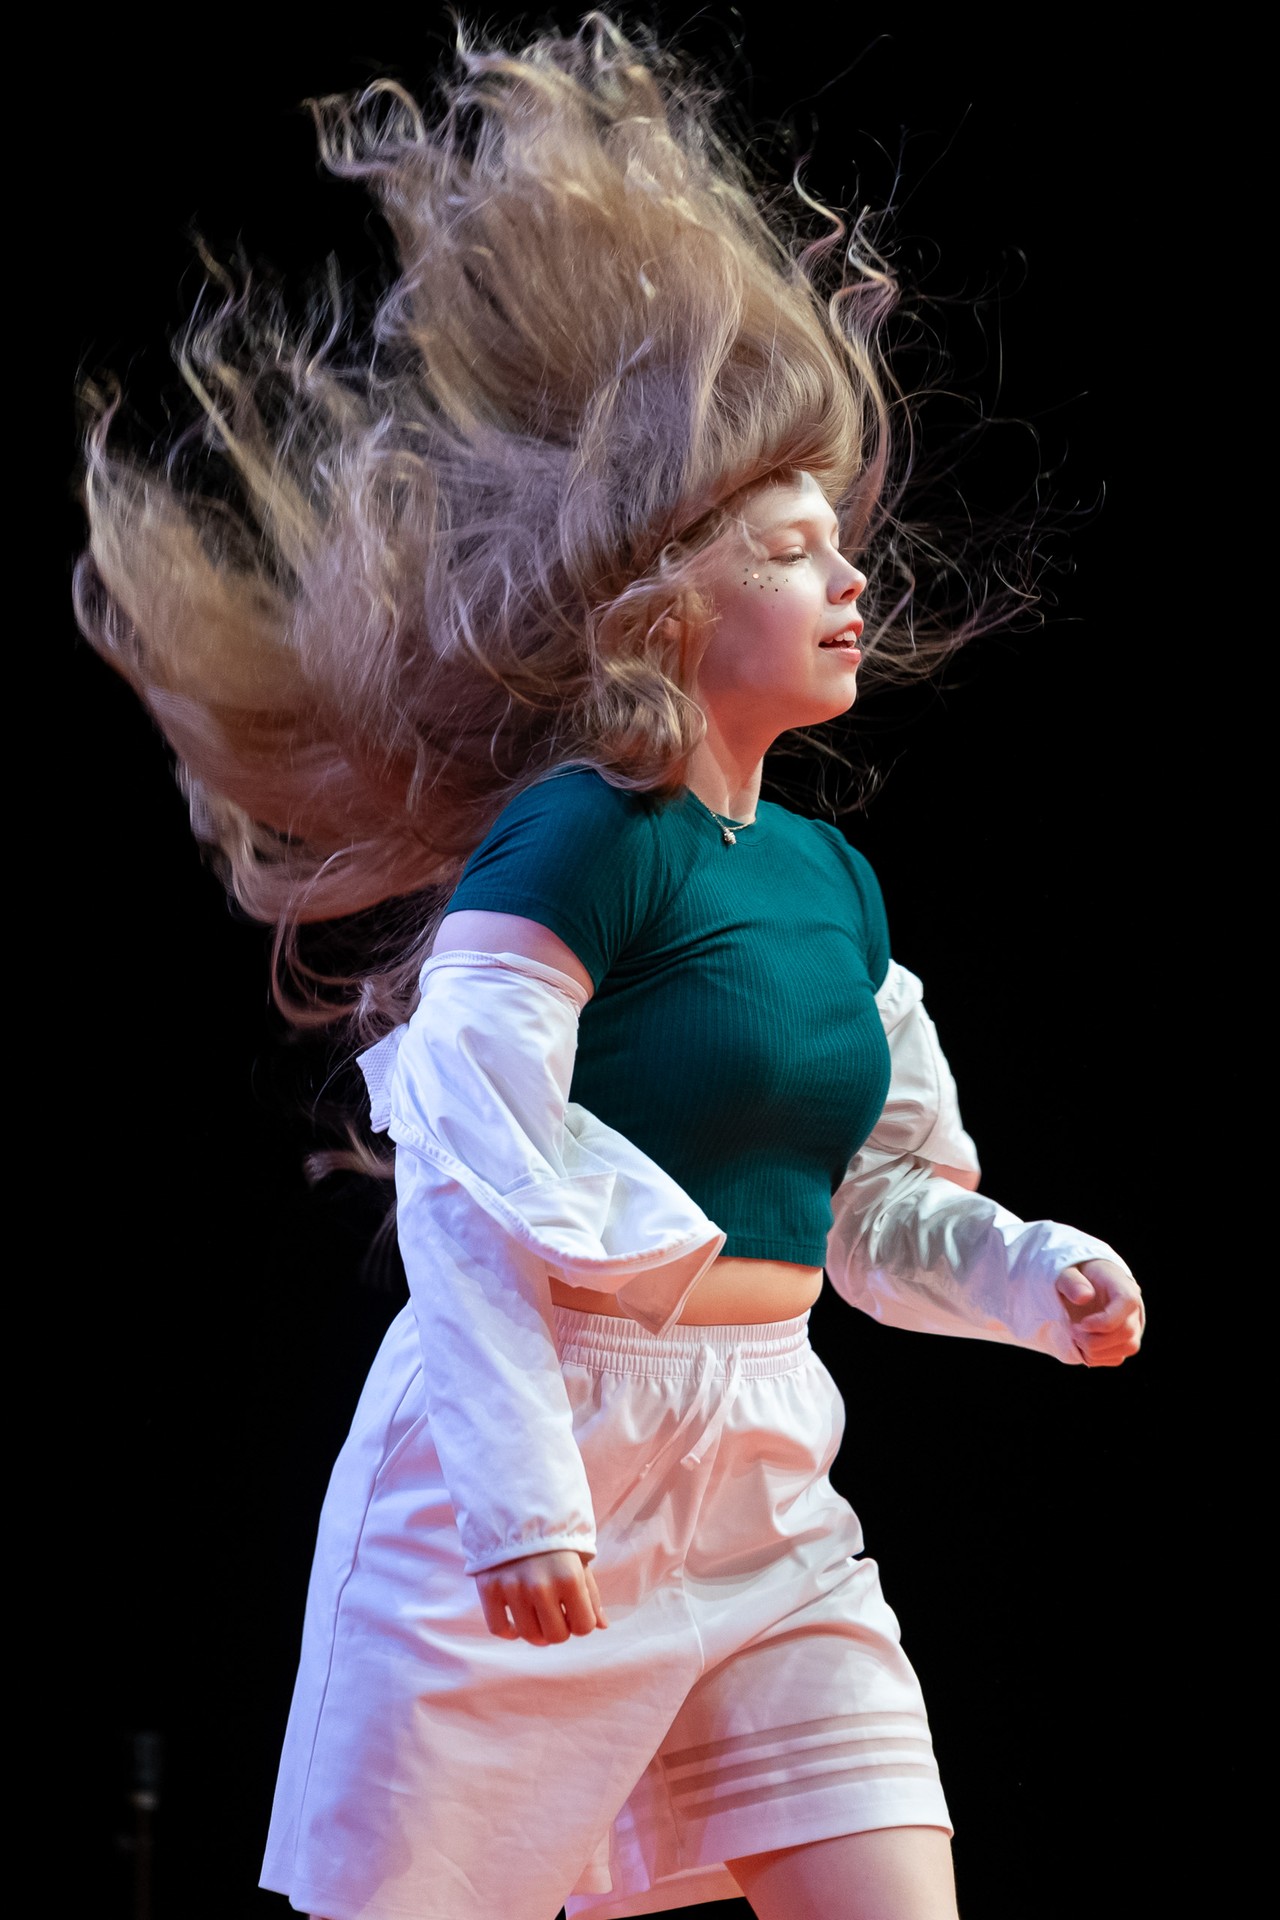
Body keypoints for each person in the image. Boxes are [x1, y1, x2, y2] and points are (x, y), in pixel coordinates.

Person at [72, 16, 1143, 1919]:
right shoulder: (578, 840)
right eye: (794, 552)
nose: (852, 584)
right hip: (529, 1457)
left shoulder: (830, 883)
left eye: (839, 549)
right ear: (669, 602)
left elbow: (870, 1206)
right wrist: (521, 1507)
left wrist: (1026, 1273)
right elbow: (469, 1180)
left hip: (764, 1473)